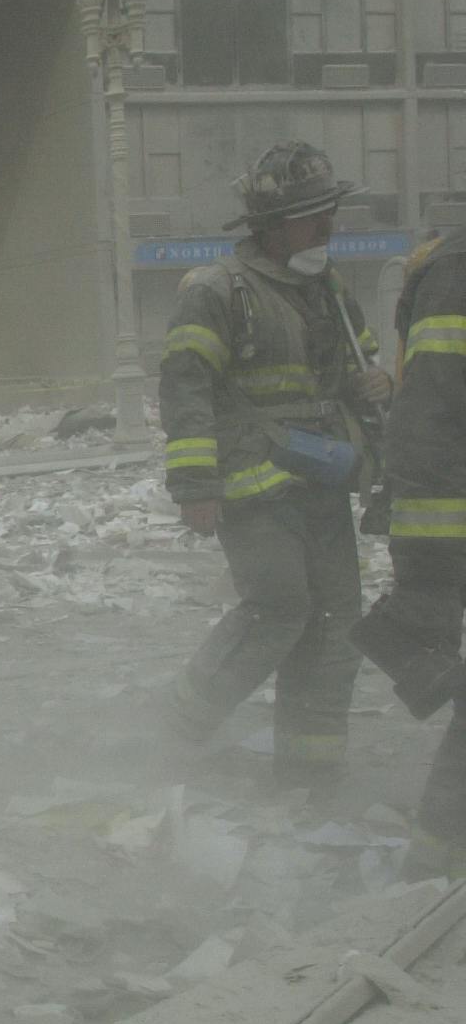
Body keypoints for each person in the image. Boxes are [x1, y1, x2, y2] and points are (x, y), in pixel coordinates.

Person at [158, 142, 393, 784]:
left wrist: (377, 385)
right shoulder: (217, 291)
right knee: (280, 609)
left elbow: (355, 369)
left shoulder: (330, 290)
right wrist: (195, 486)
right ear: (270, 225)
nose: (327, 227)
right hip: (251, 489)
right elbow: (186, 389)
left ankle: (308, 765)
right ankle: (175, 731)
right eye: (314, 215)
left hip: (323, 483)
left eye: (330, 212)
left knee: (335, 619)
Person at [351, 226, 466, 876]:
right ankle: (438, 861)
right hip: (448, 517)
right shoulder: (457, 273)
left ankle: (439, 854)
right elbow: (432, 410)